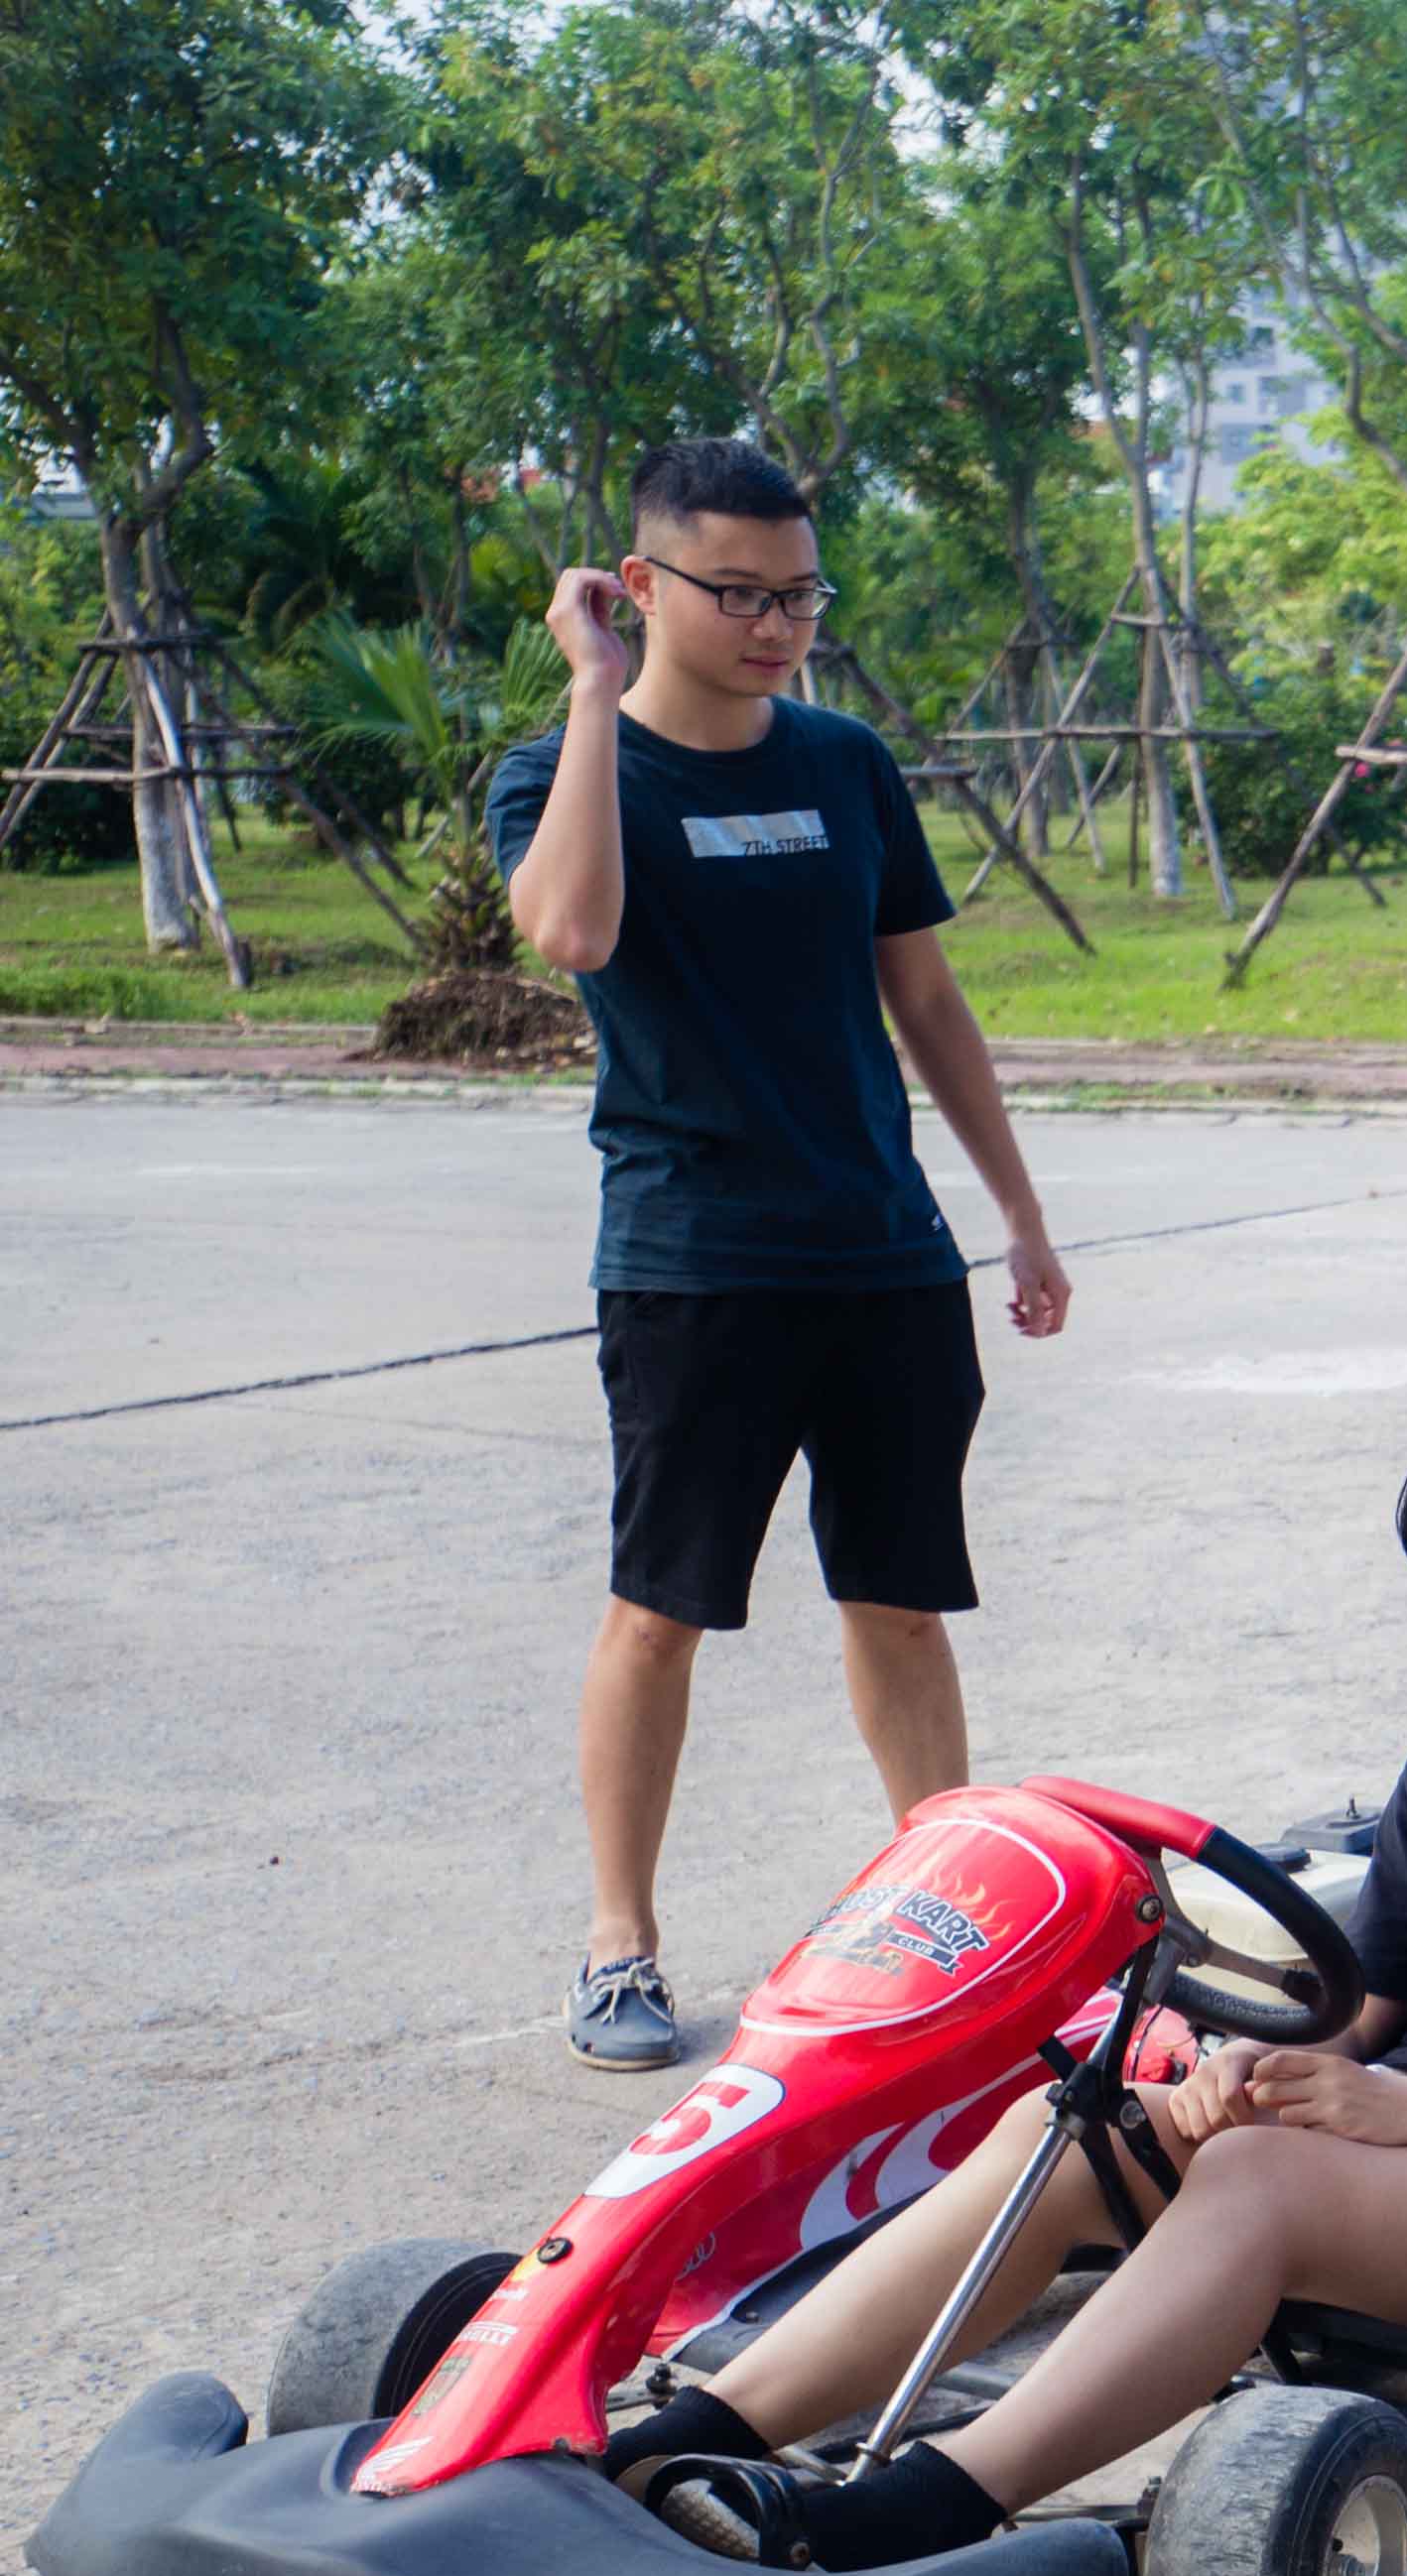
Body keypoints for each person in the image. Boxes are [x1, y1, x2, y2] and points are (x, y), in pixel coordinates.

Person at [604, 1374, 1407, 2573]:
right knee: (1074, 2125)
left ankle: (929, 2506)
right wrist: (1262, 2063)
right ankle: (690, 2440)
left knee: (1257, 2178)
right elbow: (1374, 2010)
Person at [493, 437, 1077, 2072]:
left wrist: (1015, 1215)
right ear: (643, 582)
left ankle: (957, 1919)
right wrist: (596, 698)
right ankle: (621, 1943)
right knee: (658, 1610)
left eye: (797, 591)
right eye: (737, 593)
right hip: (694, 1264)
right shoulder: (557, 774)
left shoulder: (843, 762)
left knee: (900, 1603)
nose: (774, 625)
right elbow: (575, 933)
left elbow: (928, 1003)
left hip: (883, 1256)